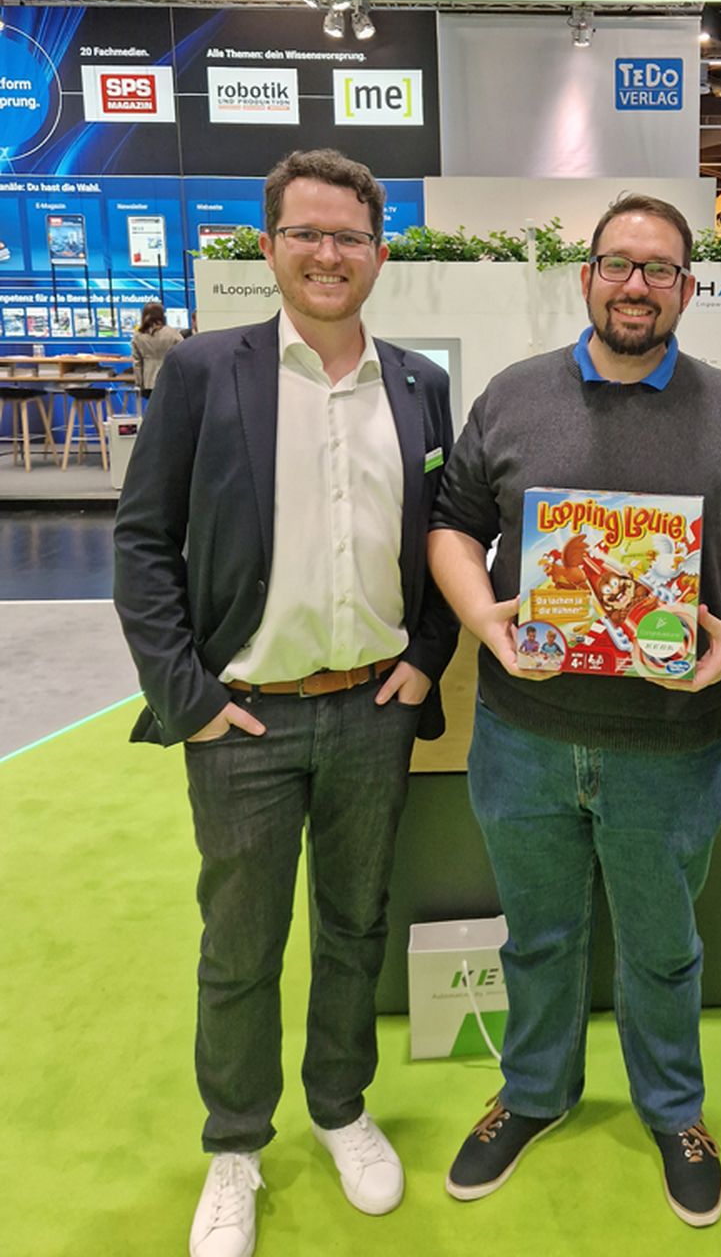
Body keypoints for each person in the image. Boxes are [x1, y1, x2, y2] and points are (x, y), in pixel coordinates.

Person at [428, 193, 721, 1229]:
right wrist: (486, 622)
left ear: (689, 286)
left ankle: (673, 1106)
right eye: (619, 264)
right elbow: (454, 527)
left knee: (663, 945)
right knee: (539, 934)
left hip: (673, 745)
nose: (637, 284)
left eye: (660, 269)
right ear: (586, 274)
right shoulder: (512, 397)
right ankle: (535, 1092)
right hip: (525, 735)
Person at [113, 148, 458, 1257]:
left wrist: (425, 660)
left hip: (372, 710)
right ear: (269, 247)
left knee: (355, 925)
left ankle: (342, 1105)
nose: (326, 253)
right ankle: (236, 1143)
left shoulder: (419, 384)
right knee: (241, 940)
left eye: (347, 236)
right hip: (243, 720)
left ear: (378, 251)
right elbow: (143, 544)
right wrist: (190, 698)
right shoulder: (209, 374)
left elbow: (450, 539)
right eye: (304, 233)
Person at [130, 299, 184, 397]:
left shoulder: (138, 335)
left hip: (148, 381)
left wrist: (139, 383)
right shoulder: (173, 333)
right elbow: (184, 355)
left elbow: (137, 362)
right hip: (170, 380)